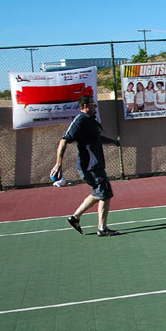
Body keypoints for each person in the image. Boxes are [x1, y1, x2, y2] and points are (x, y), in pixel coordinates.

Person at [50, 95, 121, 237]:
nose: (96, 107)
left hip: (95, 165)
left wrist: (112, 141)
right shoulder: (80, 121)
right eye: (93, 104)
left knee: (98, 192)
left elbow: (97, 138)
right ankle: (102, 228)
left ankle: (75, 218)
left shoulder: (90, 121)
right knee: (105, 194)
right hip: (90, 166)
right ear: (86, 106)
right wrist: (58, 163)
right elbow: (64, 140)